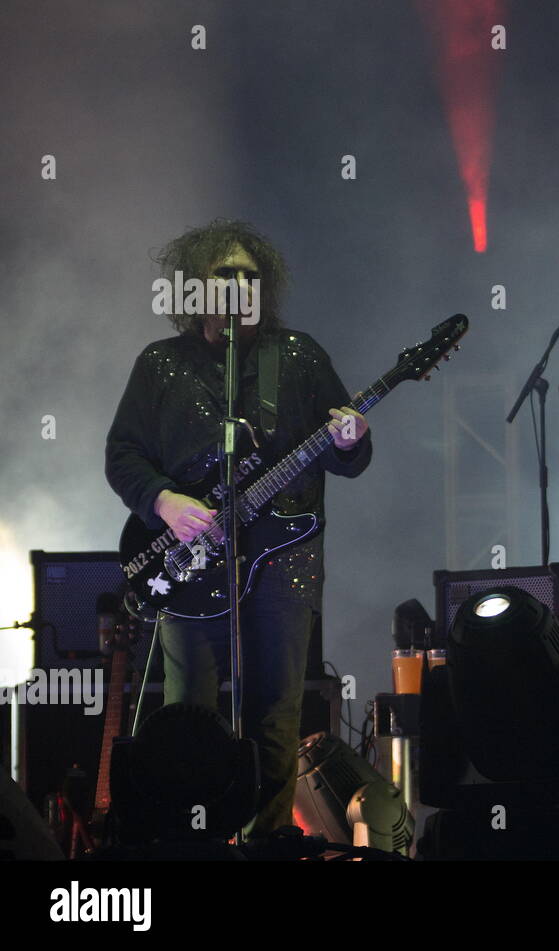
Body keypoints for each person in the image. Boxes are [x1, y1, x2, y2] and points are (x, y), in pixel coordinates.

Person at [105, 219, 372, 838]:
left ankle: (266, 844)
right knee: (190, 718)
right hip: (188, 561)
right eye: (224, 275)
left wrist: (354, 439)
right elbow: (123, 455)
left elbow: (343, 453)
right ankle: (188, 845)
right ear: (196, 286)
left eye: (248, 276)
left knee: (274, 718)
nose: (237, 285)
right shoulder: (161, 365)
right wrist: (164, 502)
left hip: (284, 563)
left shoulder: (299, 356)